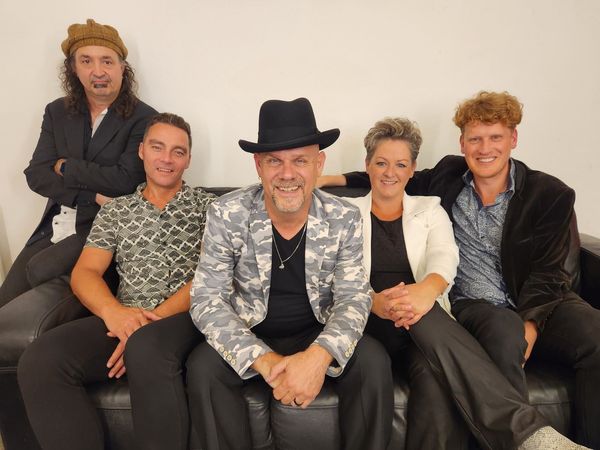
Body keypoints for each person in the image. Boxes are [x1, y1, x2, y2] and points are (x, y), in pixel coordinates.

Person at [323, 91, 600, 449]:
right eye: (475, 139)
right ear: (462, 143)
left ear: (513, 138)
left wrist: (530, 324)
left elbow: (550, 273)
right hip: (477, 304)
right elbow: (389, 172)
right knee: (502, 331)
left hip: (542, 301)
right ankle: (527, 439)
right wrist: (323, 179)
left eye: (495, 137)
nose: (485, 148)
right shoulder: (448, 176)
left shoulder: (549, 193)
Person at [186, 97, 393, 450]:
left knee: (373, 362)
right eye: (274, 161)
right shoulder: (226, 212)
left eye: (300, 160)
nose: (287, 174)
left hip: (317, 328)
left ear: (318, 164)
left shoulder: (344, 217)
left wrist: (317, 357)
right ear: (258, 165)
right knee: (202, 367)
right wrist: (263, 360)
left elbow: (354, 297)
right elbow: (207, 299)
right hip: (250, 329)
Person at [17, 113, 216, 450]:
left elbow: (212, 274)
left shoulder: (210, 208)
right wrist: (116, 315)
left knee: (149, 352)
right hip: (124, 320)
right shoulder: (116, 211)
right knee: (41, 360)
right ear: (142, 151)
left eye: (178, 151)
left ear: (188, 160)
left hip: (185, 320)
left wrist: (146, 327)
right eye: (157, 147)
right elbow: (86, 272)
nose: (166, 159)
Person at [0, 19, 156, 307]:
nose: (98, 71)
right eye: (86, 61)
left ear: (122, 67)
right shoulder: (57, 111)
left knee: (40, 270)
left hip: (101, 226)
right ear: (73, 67)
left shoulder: (144, 117)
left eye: (107, 61)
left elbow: (123, 181)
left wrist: (66, 167)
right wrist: (90, 195)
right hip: (56, 221)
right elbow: (36, 174)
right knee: (6, 300)